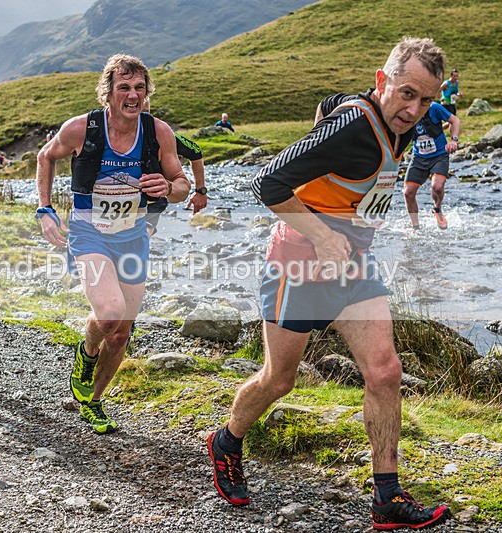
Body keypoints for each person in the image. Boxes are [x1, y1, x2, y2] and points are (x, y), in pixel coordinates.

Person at [208, 37, 452, 531]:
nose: (415, 109)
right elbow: (267, 181)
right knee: (279, 379)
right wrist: (320, 235)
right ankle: (227, 440)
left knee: (385, 371)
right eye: (406, 94)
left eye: (426, 100)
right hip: (298, 260)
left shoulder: (398, 119)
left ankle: (387, 495)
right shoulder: (353, 128)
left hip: (354, 263)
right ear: (383, 81)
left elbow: (331, 105)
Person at [36, 54, 189, 434]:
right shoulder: (81, 129)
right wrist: (45, 209)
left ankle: (94, 400)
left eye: (139, 88)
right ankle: (87, 353)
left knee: (121, 333)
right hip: (89, 233)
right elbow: (45, 156)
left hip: (134, 236)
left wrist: (169, 189)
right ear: (108, 93)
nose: (133, 95)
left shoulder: (159, 133)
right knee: (109, 314)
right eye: (124, 87)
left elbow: (182, 186)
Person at [142, 99, 208, 234]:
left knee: (136, 246)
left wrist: (200, 191)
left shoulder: (160, 133)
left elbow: (194, 150)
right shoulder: (100, 131)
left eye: (145, 113)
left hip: (153, 199)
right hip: (107, 203)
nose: (140, 119)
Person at [403, 101, 461, 229]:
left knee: (437, 187)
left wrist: (453, 140)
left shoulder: (433, 107)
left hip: (439, 155)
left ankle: (437, 209)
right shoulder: (405, 110)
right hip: (418, 157)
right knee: (408, 193)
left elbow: (455, 120)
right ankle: (415, 227)